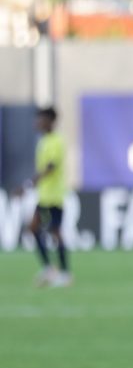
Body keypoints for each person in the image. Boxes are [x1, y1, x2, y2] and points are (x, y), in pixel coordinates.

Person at [24, 106, 71, 287]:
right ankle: (49, 269)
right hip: (44, 195)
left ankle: (65, 273)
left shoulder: (57, 141)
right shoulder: (43, 141)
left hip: (54, 196)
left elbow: (51, 167)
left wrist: (30, 183)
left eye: (41, 119)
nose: (38, 122)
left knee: (56, 232)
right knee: (33, 228)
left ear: (51, 121)